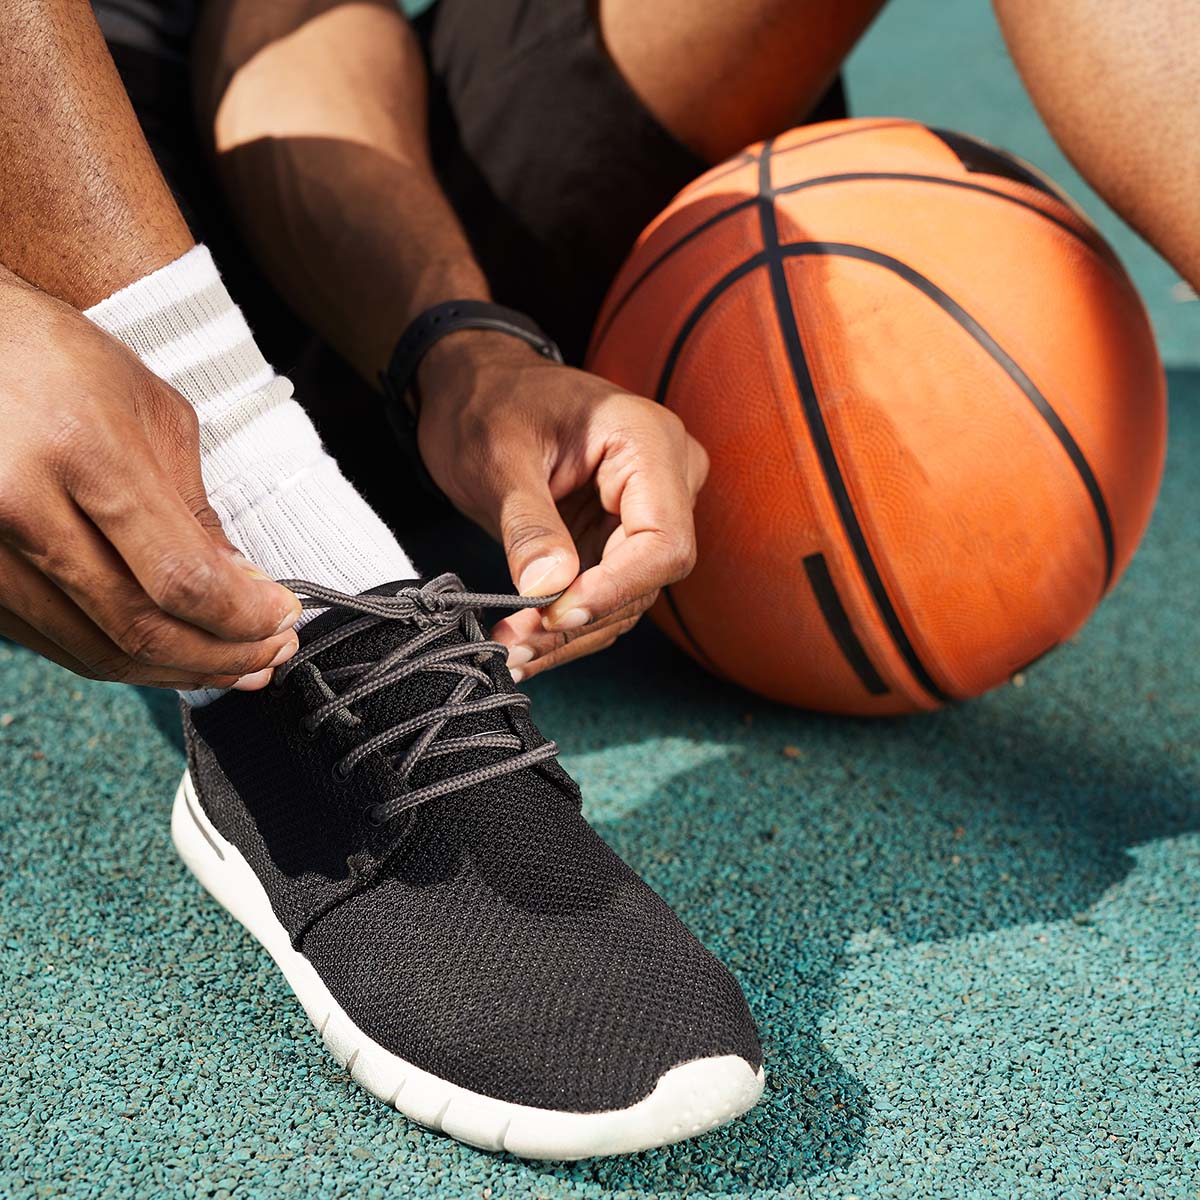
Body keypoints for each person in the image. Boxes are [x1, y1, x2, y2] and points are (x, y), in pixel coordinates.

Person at [0, 0, 1192, 1160]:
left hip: (290, 231)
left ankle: (286, 436)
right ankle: (296, 585)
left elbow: (285, 23)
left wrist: (453, 345)